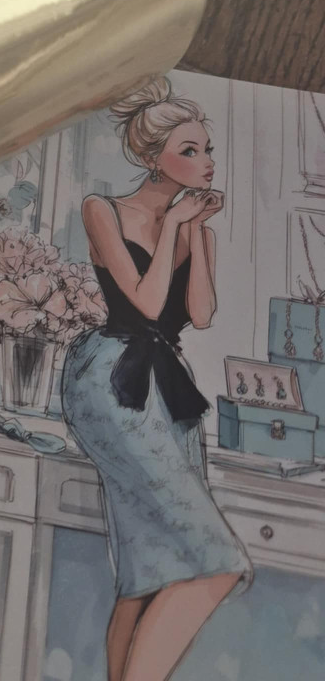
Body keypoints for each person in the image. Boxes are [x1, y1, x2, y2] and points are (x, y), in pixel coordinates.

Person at [61, 76, 251, 681]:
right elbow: (144, 304)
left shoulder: (198, 228)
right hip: (110, 378)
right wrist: (171, 227)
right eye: (188, 150)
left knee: (149, 569)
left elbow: (200, 314)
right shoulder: (102, 211)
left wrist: (192, 230)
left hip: (169, 386)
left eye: (207, 149)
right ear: (152, 158)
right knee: (218, 563)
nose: (205, 161)